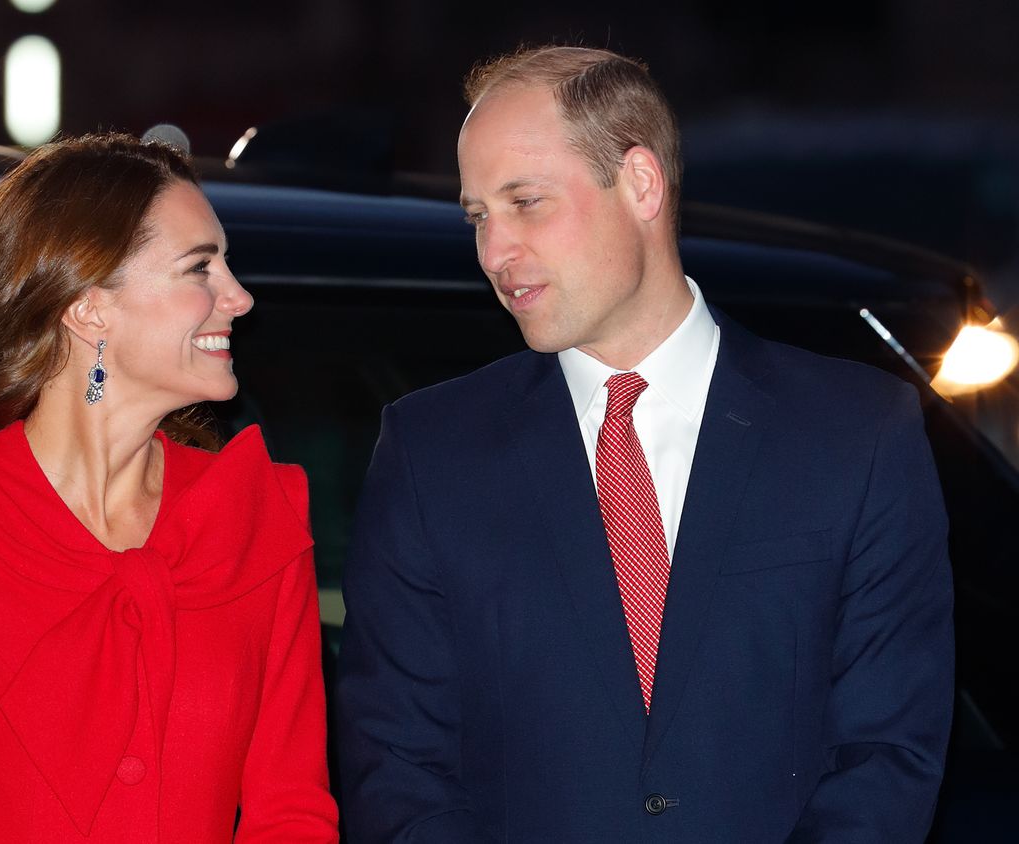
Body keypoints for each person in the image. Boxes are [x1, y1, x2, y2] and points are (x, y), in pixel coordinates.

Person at [335, 46, 953, 842]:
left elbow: (887, 756)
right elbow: (398, 769)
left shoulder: (858, 433)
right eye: (478, 217)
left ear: (641, 183)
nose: (494, 253)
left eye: (525, 202)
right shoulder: (430, 453)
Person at [0, 134, 339, 842]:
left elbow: (293, 810)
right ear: (89, 307)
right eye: (201, 268)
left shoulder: (255, 511)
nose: (239, 298)